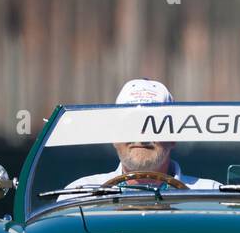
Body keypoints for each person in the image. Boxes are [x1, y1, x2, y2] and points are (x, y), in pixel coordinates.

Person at [60, 79, 221, 195]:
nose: (141, 134)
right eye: (131, 123)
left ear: (173, 136)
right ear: (114, 135)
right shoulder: (78, 195)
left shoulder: (213, 195)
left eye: (153, 125)